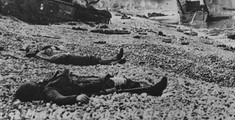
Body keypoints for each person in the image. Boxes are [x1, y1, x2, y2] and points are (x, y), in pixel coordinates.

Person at [14, 69, 168, 105]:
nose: (36, 82)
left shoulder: (45, 87)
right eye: (33, 85)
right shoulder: (48, 92)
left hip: (82, 81)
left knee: (114, 81)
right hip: (85, 87)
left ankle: (145, 86)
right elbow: (59, 99)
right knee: (116, 86)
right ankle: (152, 90)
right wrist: (76, 98)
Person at [26, 45, 126, 66]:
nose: (35, 46)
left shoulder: (40, 53)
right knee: (90, 59)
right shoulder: (38, 54)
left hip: (64, 57)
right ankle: (114, 59)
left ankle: (115, 61)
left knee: (90, 60)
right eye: (32, 47)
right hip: (65, 58)